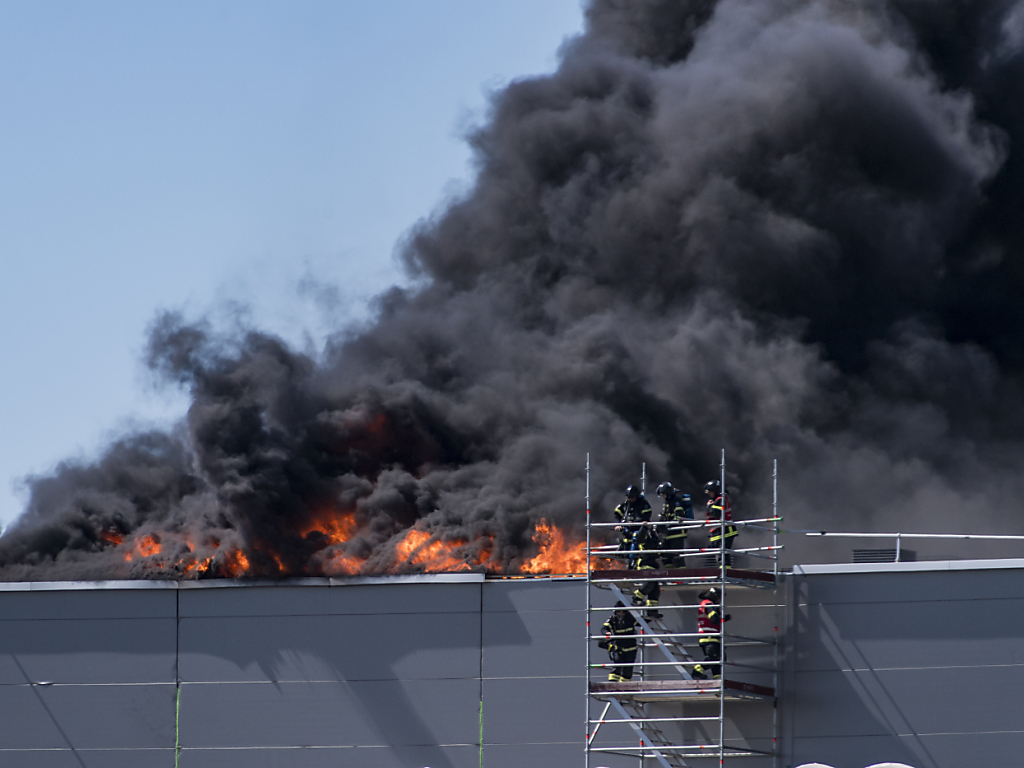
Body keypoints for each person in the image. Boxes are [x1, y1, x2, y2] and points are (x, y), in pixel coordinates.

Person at [692, 587, 730, 680]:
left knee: (719, 659)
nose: (720, 600)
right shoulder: (709, 604)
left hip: (712, 636)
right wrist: (725, 618)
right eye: (719, 597)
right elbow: (714, 620)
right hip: (709, 636)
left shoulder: (707, 604)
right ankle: (697, 671)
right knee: (713, 658)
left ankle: (717, 678)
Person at [628, 522, 663, 619]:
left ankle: (652, 610)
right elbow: (640, 538)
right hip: (645, 563)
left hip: (653, 564)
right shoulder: (645, 537)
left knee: (655, 589)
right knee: (650, 582)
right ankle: (637, 598)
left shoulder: (655, 539)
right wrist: (644, 527)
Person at [599, 602, 639, 682]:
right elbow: (604, 628)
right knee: (617, 666)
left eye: (623, 612)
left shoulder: (630, 618)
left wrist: (651, 615)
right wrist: (607, 632)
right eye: (619, 612)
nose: (621, 614)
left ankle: (625, 687)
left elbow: (641, 622)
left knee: (627, 671)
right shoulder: (612, 619)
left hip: (631, 648)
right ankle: (612, 685)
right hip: (619, 647)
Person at [656, 482, 692, 568]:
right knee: (665, 557)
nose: (663, 496)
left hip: (677, 534)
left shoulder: (677, 502)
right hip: (668, 534)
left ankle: (681, 575)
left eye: (664, 494)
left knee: (677, 558)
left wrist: (667, 525)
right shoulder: (667, 503)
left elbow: (678, 517)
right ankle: (669, 574)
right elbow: (665, 516)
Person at [704, 480, 738, 564]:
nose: (709, 494)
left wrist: (709, 506)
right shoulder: (718, 500)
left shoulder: (720, 500)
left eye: (711, 492)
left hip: (725, 531)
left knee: (722, 556)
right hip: (720, 531)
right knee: (720, 555)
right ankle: (724, 570)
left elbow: (716, 513)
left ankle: (725, 571)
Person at [614, 484, 652, 552]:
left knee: (637, 549)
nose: (630, 499)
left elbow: (646, 518)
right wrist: (618, 524)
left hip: (639, 533)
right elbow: (617, 513)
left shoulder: (643, 504)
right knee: (625, 550)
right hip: (627, 532)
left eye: (632, 497)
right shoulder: (626, 504)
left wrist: (634, 523)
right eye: (629, 497)